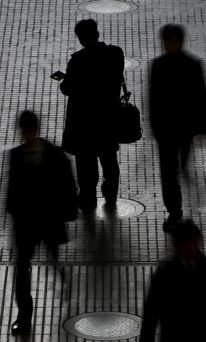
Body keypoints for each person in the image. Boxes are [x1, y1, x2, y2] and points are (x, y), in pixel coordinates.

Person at [6, 111, 77, 335]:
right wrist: (10, 212)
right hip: (25, 224)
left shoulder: (56, 156)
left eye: (29, 131)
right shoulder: (16, 155)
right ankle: (24, 316)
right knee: (22, 269)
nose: (26, 136)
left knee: (51, 255)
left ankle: (61, 274)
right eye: (23, 131)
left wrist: (67, 213)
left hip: (48, 220)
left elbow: (67, 186)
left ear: (36, 130)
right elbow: (11, 188)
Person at [56, 18, 125, 214]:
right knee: (109, 159)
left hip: (83, 122)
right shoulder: (115, 53)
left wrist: (66, 78)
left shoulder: (77, 60)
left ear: (80, 38)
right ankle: (110, 195)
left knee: (86, 164)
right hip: (108, 119)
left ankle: (88, 198)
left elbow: (67, 88)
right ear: (97, 33)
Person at [149, 24, 206, 231]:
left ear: (179, 42)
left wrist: (202, 127)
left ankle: (177, 200)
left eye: (169, 41)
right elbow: (153, 97)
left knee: (174, 168)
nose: (166, 45)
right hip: (168, 130)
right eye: (164, 41)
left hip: (183, 129)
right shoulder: (160, 65)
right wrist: (154, 126)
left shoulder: (191, 65)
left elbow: (201, 96)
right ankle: (174, 210)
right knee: (168, 171)